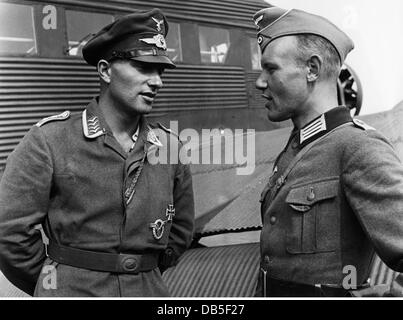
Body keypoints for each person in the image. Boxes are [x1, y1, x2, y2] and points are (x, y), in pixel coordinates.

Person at [0, 8, 194, 297]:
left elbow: (180, 232)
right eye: (143, 67)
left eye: (160, 70)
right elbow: (10, 233)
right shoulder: (50, 140)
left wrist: (139, 273)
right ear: (105, 70)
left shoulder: (170, 147)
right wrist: (55, 283)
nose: (157, 82)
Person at [253, 6, 403, 297]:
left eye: (271, 69)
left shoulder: (357, 147)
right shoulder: (294, 149)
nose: (260, 82)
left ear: (312, 68)